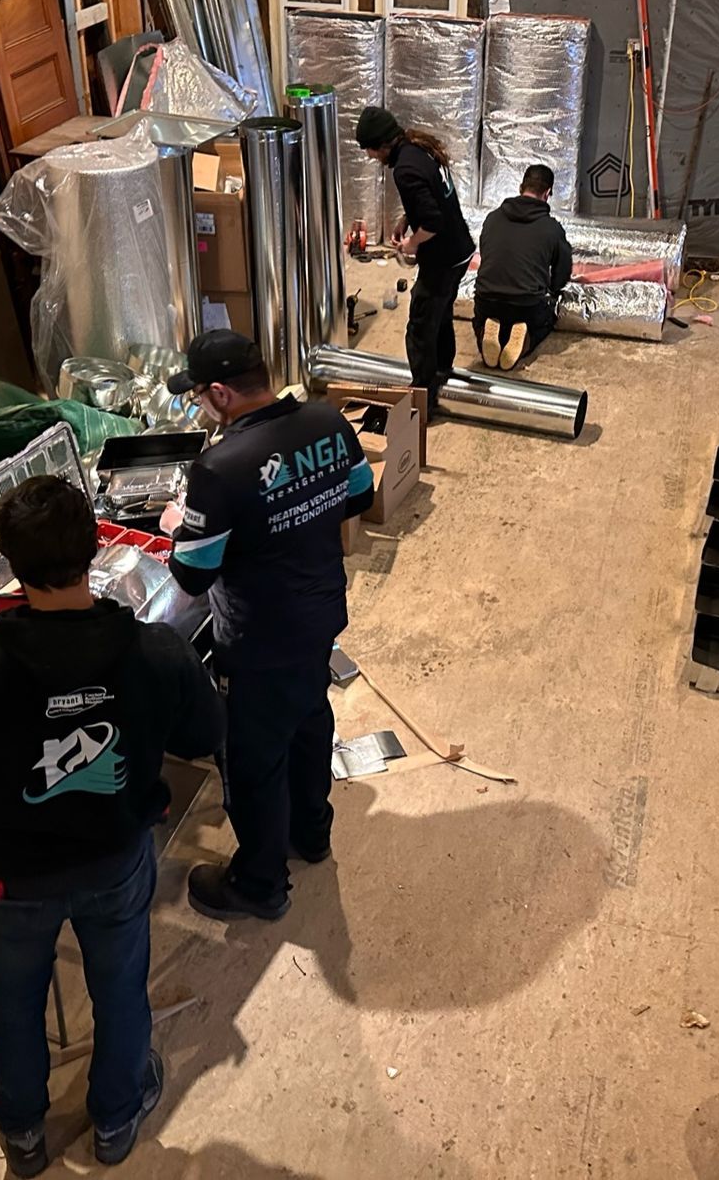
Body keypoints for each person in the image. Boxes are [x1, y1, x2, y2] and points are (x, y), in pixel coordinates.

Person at [0, 476, 223, 1175]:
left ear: (10, 566)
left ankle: (22, 1132)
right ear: (94, 547)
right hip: (115, 860)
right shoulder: (157, 652)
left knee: (14, 1003)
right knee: (118, 987)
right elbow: (205, 731)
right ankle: (115, 1116)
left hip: (12, 878)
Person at [162, 330, 375, 922]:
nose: (200, 405)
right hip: (320, 614)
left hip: (258, 640)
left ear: (222, 394)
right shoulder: (328, 421)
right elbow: (360, 495)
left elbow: (193, 575)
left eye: (200, 396)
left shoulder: (218, 467)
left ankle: (259, 884)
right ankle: (312, 832)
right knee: (310, 721)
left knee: (254, 762)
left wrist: (183, 521)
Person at [354, 106, 475, 406]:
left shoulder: (404, 170)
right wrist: (406, 220)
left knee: (420, 327)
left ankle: (424, 398)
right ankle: (444, 371)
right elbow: (432, 197)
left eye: (369, 149)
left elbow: (433, 221)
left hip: (443, 257)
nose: (370, 156)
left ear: (382, 145)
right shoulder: (419, 149)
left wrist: (412, 243)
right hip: (460, 250)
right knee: (441, 313)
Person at [472, 164, 572, 369]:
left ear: (520, 188)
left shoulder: (492, 218)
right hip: (526, 304)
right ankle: (526, 338)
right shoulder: (552, 228)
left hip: (487, 299)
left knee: (484, 316)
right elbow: (563, 271)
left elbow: (487, 254)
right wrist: (552, 290)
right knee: (546, 319)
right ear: (548, 193)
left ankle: (486, 331)